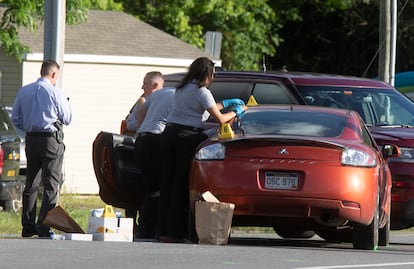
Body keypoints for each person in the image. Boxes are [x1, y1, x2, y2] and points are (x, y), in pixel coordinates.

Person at [157, 57, 246, 243]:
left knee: (167, 182)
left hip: (169, 133)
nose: (214, 76)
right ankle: (175, 231)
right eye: (213, 73)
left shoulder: (182, 88)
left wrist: (225, 103)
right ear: (207, 73)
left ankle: (161, 229)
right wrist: (238, 110)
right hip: (185, 138)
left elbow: (201, 114)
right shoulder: (202, 91)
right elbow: (220, 119)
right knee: (181, 182)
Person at [11, 60, 72, 238]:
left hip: (31, 139)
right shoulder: (54, 92)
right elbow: (67, 118)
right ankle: (44, 226)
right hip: (50, 140)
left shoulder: (24, 91)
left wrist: (29, 128)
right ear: (53, 74)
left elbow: (16, 118)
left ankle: (28, 226)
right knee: (51, 185)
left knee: (31, 183)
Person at [123, 71, 164, 233]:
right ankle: (140, 225)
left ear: (155, 85)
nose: (142, 87)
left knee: (152, 188)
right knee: (145, 187)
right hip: (145, 146)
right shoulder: (143, 101)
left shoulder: (166, 100)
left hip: (154, 145)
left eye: (145, 83)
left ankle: (149, 225)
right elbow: (130, 124)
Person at [133, 86, 176, 239]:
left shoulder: (159, 94)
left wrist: (140, 128)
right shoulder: (179, 95)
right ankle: (155, 228)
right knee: (160, 187)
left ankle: (144, 228)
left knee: (149, 186)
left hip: (142, 138)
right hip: (157, 138)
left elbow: (140, 110)